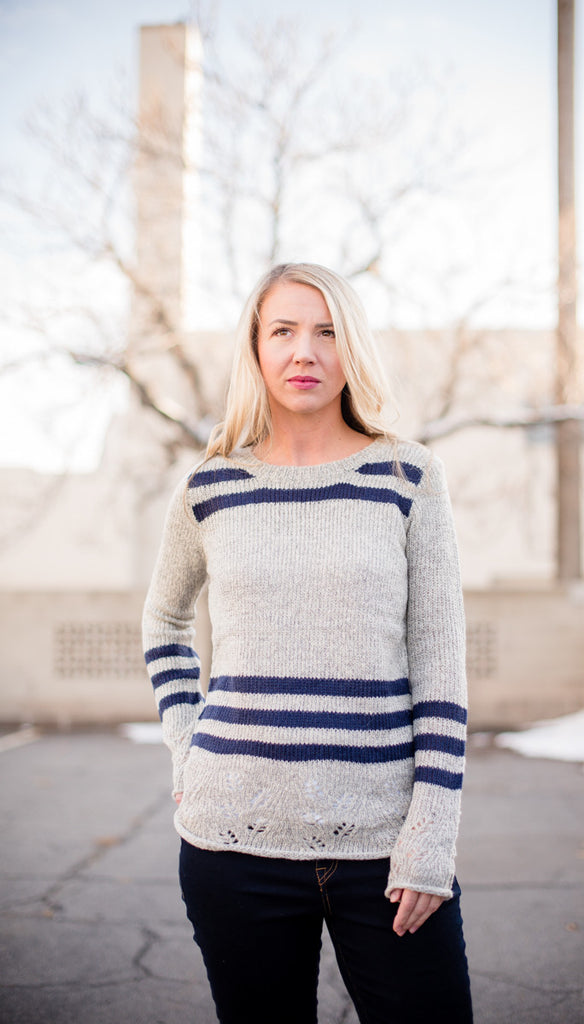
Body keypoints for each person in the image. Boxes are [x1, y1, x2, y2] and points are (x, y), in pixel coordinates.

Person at [142, 262, 473, 1024]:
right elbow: (162, 622)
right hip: (231, 846)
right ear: (255, 350)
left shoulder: (407, 475)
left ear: (351, 348)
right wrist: (186, 745)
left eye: (327, 332)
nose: (305, 352)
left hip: (384, 851)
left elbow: (440, 666)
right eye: (283, 331)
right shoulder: (212, 486)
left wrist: (431, 836)